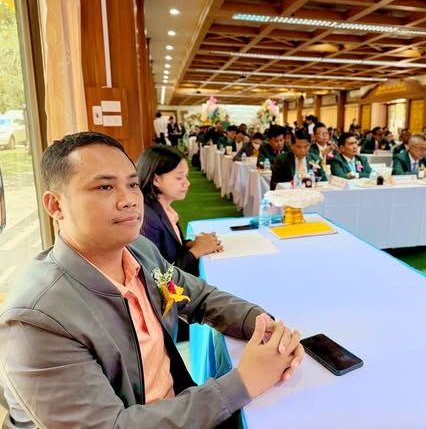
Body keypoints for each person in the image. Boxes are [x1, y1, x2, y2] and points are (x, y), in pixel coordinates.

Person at [0, 132, 303, 428]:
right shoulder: (35, 321)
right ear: (56, 206)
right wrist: (243, 382)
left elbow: (199, 297)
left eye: (132, 184)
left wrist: (263, 325)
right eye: (105, 187)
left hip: (177, 405)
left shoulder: (138, 250)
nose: (129, 200)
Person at [137, 145, 223, 277]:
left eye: (186, 177)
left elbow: (171, 249)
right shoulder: (146, 219)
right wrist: (196, 251)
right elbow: (158, 276)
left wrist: (192, 244)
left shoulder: (163, 208)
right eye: (179, 178)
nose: (187, 183)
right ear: (156, 179)